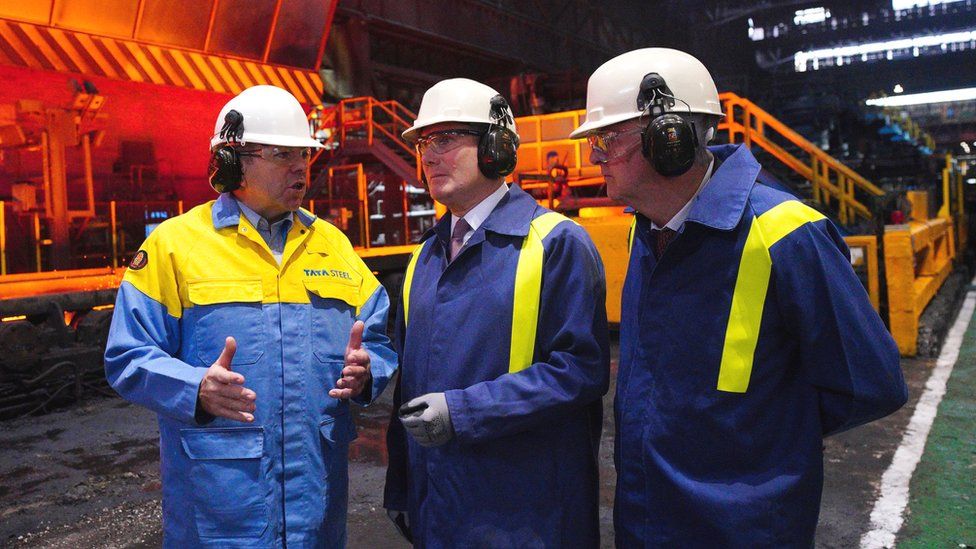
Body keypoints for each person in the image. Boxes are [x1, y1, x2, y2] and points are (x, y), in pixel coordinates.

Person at [569, 48, 908, 547]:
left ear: (672, 138)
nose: (595, 155)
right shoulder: (648, 232)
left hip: (743, 530)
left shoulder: (787, 234)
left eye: (608, 137)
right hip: (647, 521)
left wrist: (759, 448)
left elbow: (870, 382)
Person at [104, 85, 397, 547]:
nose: (301, 167)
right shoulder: (175, 245)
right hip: (218, 514)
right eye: (283, 154)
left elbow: (377, 341)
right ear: (233, 161)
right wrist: (195, 387)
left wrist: (368, 373)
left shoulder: (334, 246)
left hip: (316, 510)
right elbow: (127, 355)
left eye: (304, 154)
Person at [383, 78, 610, 547]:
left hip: (525, 518)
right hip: (439, 513)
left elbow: (580, 372)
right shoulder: (424, 258)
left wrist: (463, 411)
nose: (428, 155)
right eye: (424, 143)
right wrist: (403, 488)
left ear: (496, 147)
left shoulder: (555, 243)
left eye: (445, 139)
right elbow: (411, 386)